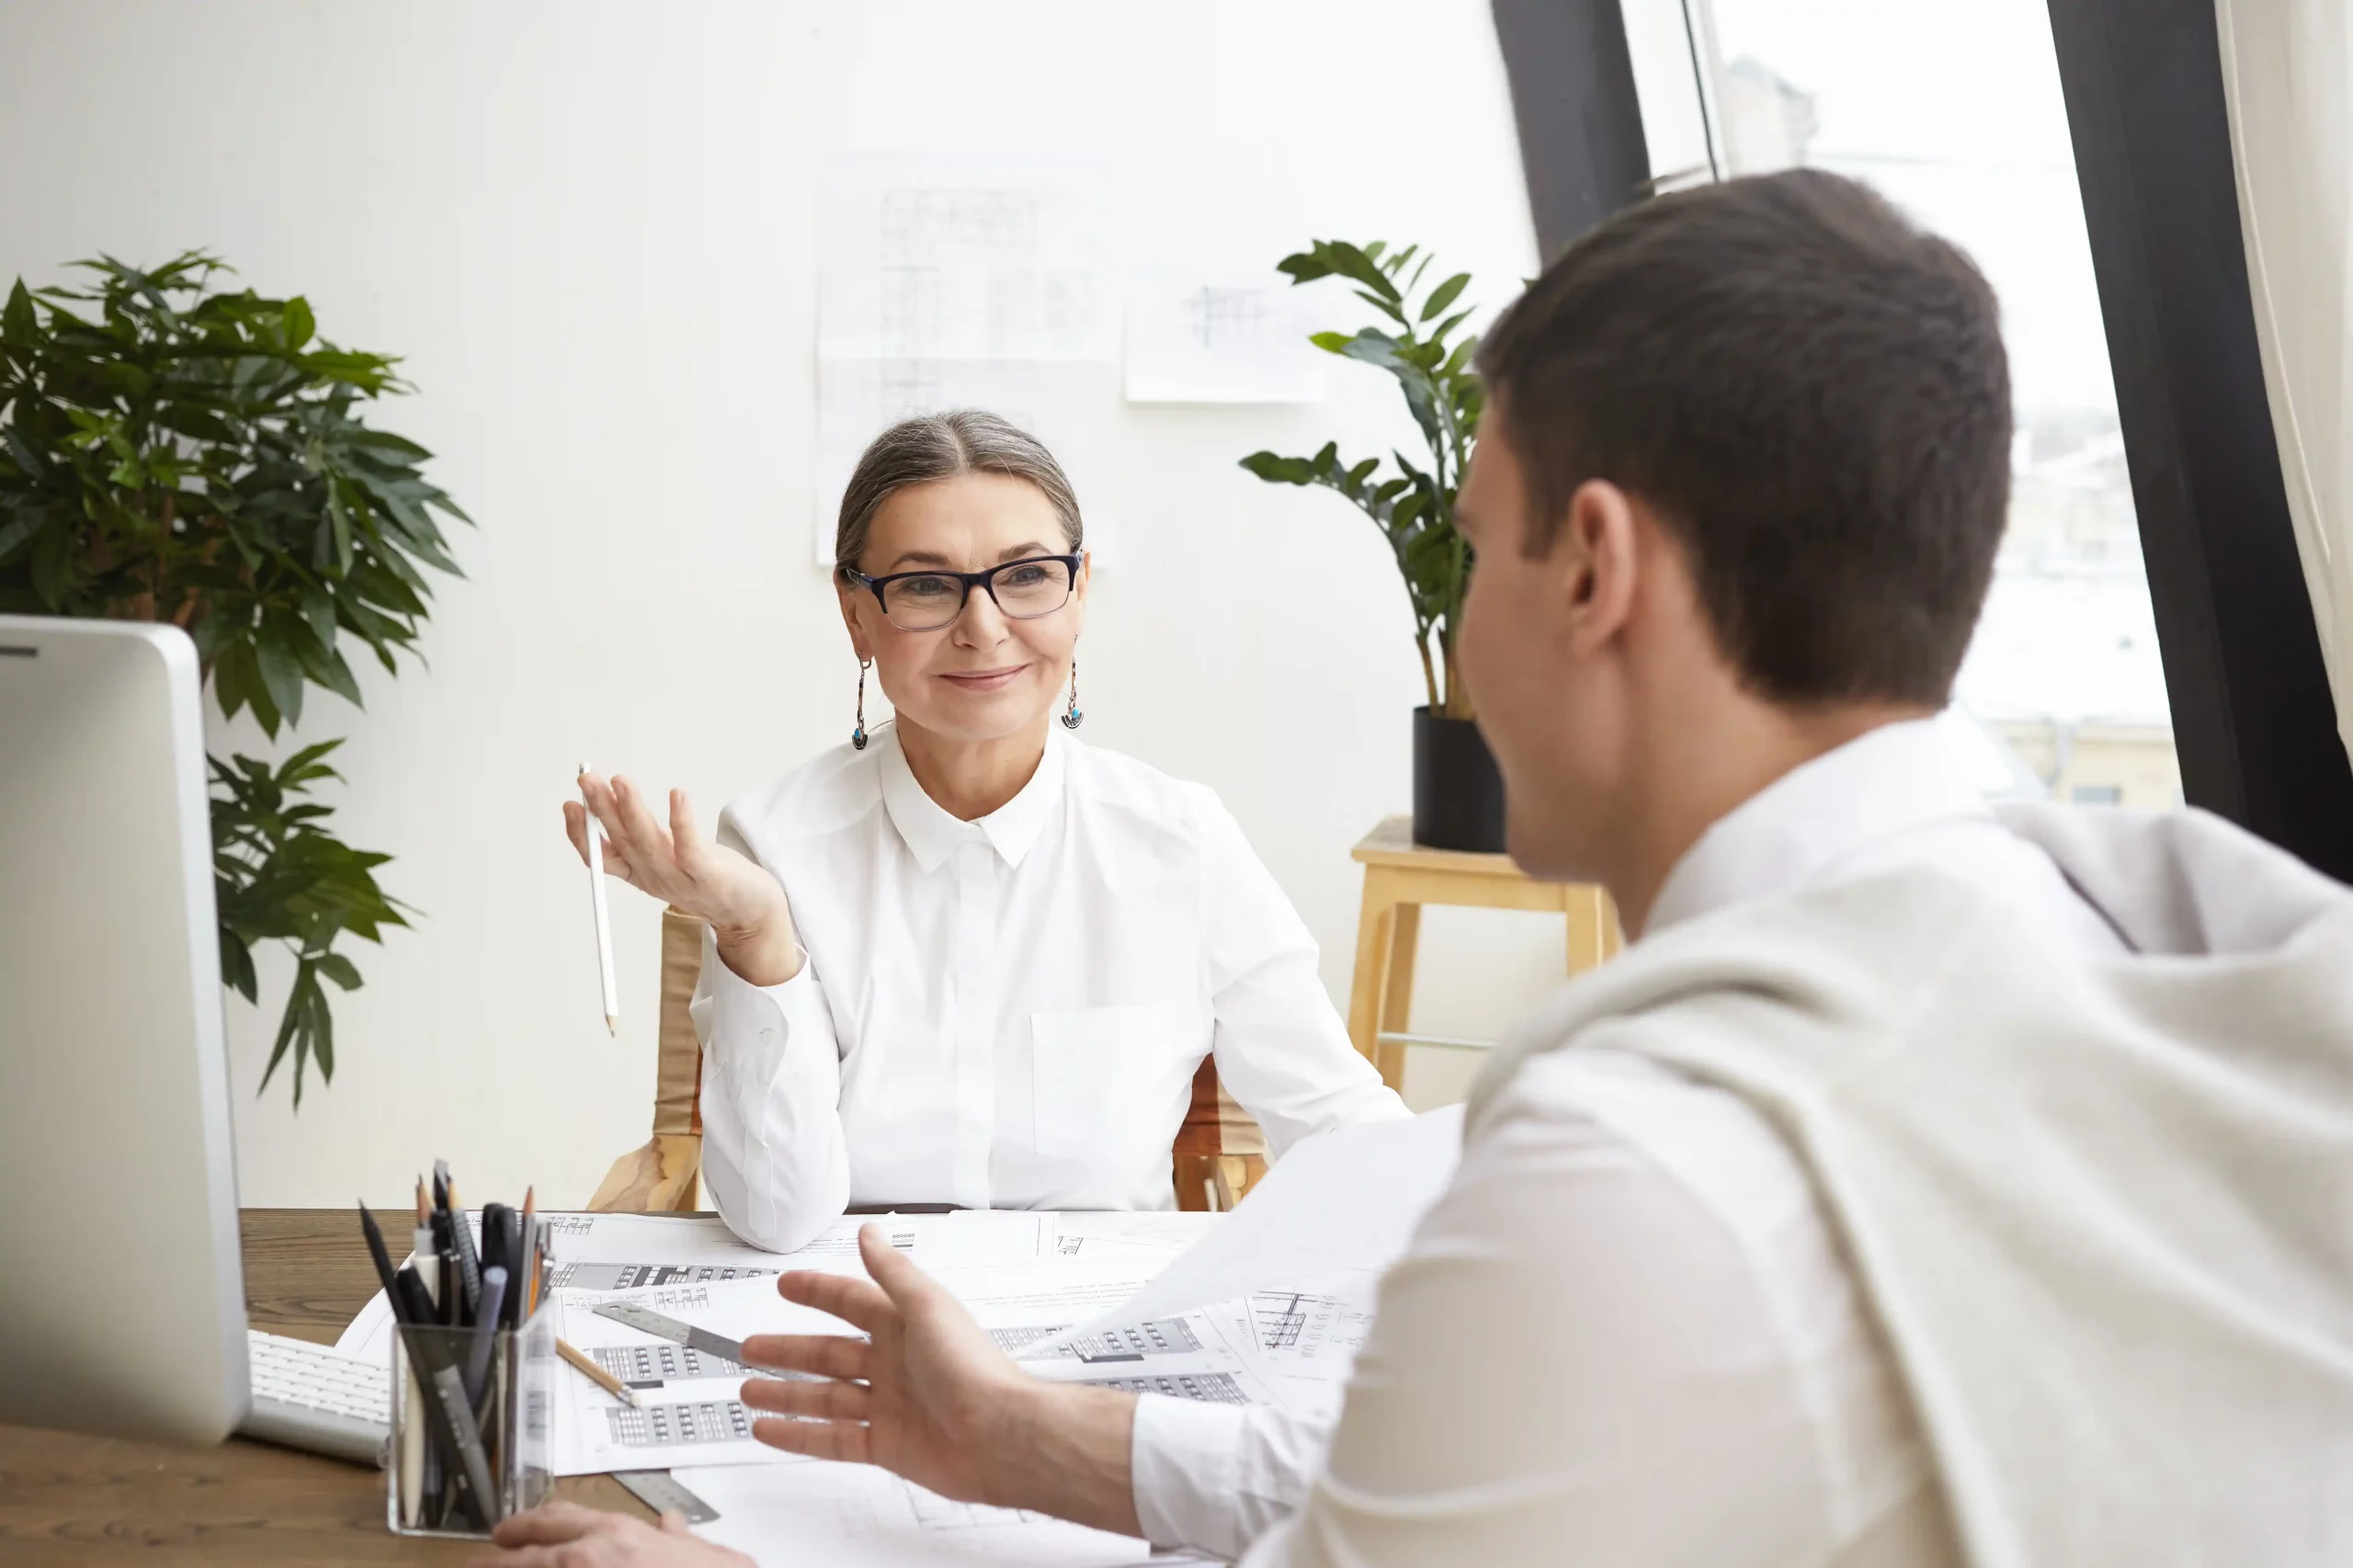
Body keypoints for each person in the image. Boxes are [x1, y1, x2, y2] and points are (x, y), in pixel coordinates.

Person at [484, 171, 2353, 1568]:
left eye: (1467, 548)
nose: (1452, 639)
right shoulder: (2213, 933)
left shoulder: (1627, 1157)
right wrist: (1028, 1441)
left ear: (1592, 571)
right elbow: (1418, 1475)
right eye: (925, 583)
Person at [564, 411, 1404, 1255]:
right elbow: (780, 1216)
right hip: (853, 1332)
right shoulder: (775, 841)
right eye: (927, 586)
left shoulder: (1180, 843)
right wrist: (757, 935)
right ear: (857, 615)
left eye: (1028, 575)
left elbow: (1339, 1124)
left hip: (1098, 1346)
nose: (984, 625)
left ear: (1078, 596)